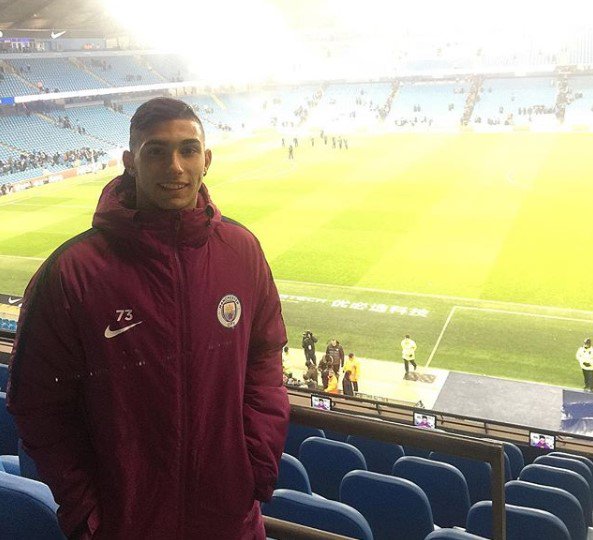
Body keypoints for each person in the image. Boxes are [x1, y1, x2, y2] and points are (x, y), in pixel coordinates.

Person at [7, 97, 289, 540]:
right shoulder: (72, 271)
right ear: (130, 162)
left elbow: (266, 358)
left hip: (228, 516)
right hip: (123, 522)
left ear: (207, 160)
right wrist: (87, 510)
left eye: (188, 150)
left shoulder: (242, 252)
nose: (174, 166)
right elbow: (38, 404)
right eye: (155, 151)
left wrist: (254, 461)